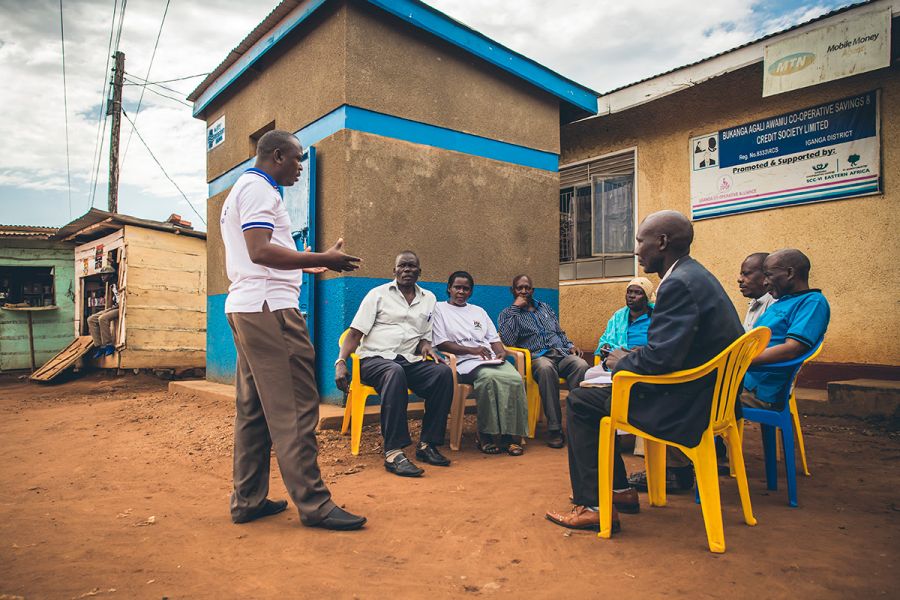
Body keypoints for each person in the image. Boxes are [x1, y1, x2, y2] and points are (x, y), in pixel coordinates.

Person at [545, 210, 744, 533]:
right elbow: (674, 349)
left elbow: (661, 361)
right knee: (594, 395)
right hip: (709, 397)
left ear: (662, 242)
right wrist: (636, 354)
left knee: (581, 401)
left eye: (640, 241)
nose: (637, 250)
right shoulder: (696, 275)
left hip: (685, 405)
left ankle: (594, 506)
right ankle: (620, 491)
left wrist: (619, 361)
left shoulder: (676, 284)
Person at [222, 129, 366, 531]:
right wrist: (324, 257)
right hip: (271, 312)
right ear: (278, 155)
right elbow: (259, 250)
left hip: (250, 307)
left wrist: (305, 262)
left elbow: (261, 254)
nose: (302, 167)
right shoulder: (260, 191)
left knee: (254, 411)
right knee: (297, 409)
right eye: (298, 159)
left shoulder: (244, 189)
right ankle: (315, 505)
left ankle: (247, 499)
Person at [336, 251, 455, 478]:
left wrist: (426, 347)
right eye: (402, 266)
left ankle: (427, 444)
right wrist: (341, 361)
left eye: (412, 266)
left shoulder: (428, 299)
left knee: (443, 374)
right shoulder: (377, 295)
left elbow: (423, 337)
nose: (407, 270)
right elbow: (354, 333)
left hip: (408, 360)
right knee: (394, 371)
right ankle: (393, 452)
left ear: (419, 272)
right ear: (394, 271)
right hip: (374, 360)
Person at [432, 271, 529, 456]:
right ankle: (486, 434)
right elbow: (442, 343)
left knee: (514, 379)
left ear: (471, 292)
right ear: (449, 289)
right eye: (457, 287)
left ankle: (510, 437)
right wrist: (472, 350)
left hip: (489, 359)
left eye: (465, 289)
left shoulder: (479, 311)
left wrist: (500, 351)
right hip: (463, 362)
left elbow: (493, 339)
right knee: (489, 379)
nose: (461, 292)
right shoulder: (439, 310)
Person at [498, 274, 588, 448]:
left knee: (581, 365)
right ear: (512, 291)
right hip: (538, 358)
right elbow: (508, 340)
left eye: (527, 287)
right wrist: (516, 309)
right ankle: (554, 429)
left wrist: (570, 345)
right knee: (546, 369)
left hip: (561, 354)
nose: (524, 291)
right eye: (519, 288)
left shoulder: (545, 308)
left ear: (533, 290)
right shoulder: (507, 314)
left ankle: (579, 426)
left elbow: (559, 332)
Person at [742, 249, 830, 410]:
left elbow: (792, 349)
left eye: (768, 275)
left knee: (692, 396)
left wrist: (738, 360)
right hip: (741, 380)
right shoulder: (780, 302)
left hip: (759, 391)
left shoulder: (813, 302)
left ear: (790, 273)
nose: (765, 282)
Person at [594, 277, 655, 358]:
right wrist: (605, 346)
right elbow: (604, 340)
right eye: (629, 292)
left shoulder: (656, 316)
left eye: (638, 293)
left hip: (647, 361)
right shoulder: (618, 317)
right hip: (618, 360)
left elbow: (664, 344)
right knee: (590, 371)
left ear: (647, 297)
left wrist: (645, 350)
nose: (632, 296)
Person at [88, 264, 120, 358]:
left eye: (104, 275)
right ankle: (100, 347)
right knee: (91, 319)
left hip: (122, 307)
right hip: (115, 306)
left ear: (111, 275)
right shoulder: (111, 285)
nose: (102, 277)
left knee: (103, 318)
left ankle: (108, 345)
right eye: (102, 275)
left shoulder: (120, 283)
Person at [738, 252, 775, 331]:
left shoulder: (775, 304)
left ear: (766, 274)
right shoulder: (754, 303)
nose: (740, 279)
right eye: (741, 274)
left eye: (746, 274)